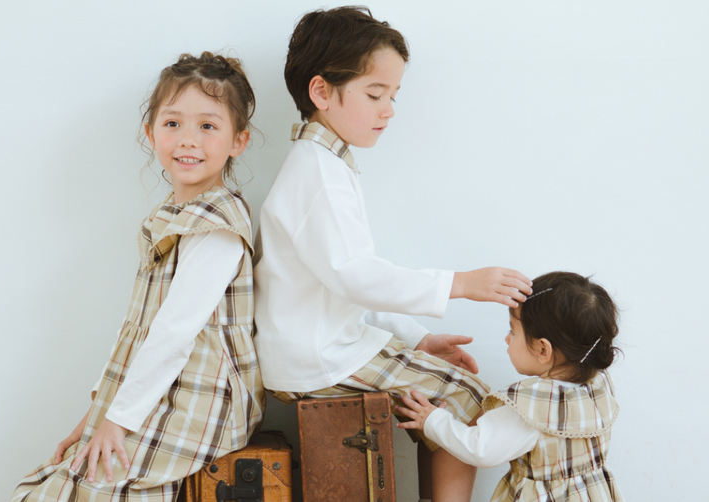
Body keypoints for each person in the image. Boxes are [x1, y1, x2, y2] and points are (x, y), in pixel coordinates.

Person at [253, 6, 532, 502]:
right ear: (321, 92)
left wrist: (417, 339)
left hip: (323, 348)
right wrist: (461, 283)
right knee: (467, 400)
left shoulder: (324, 164)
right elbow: (355, 277)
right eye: (374, 94)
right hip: (319, 359)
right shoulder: (318, 174)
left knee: (452, 390)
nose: (389, 110)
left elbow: (344, 286)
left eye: (393, 95)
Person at [11, 52, 265, 501]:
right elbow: (141, 327)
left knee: (85, 488)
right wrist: (98, 413)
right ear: (150, 133)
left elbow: (174, 332)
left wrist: (118, 420)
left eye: (208, 126)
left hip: (203, 398)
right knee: (60, 478)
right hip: (160, 388)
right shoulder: (172, 215)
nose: (188, 140)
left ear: (238, 140)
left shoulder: (217, 223)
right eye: (173, 123)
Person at [397, 271, 625, 502]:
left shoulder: (530, 407)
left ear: (543, 350)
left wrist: (433, 420)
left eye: (513, 331)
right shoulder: (600, 385)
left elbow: (480, 448)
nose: (507, 339)